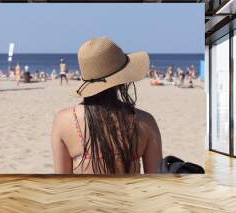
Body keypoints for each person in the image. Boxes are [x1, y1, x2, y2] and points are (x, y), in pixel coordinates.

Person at [52, 37, 162, 174]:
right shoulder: (145, 122)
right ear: (121, 80)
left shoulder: (63, 121)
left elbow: (62, 186)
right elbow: (157, 184)